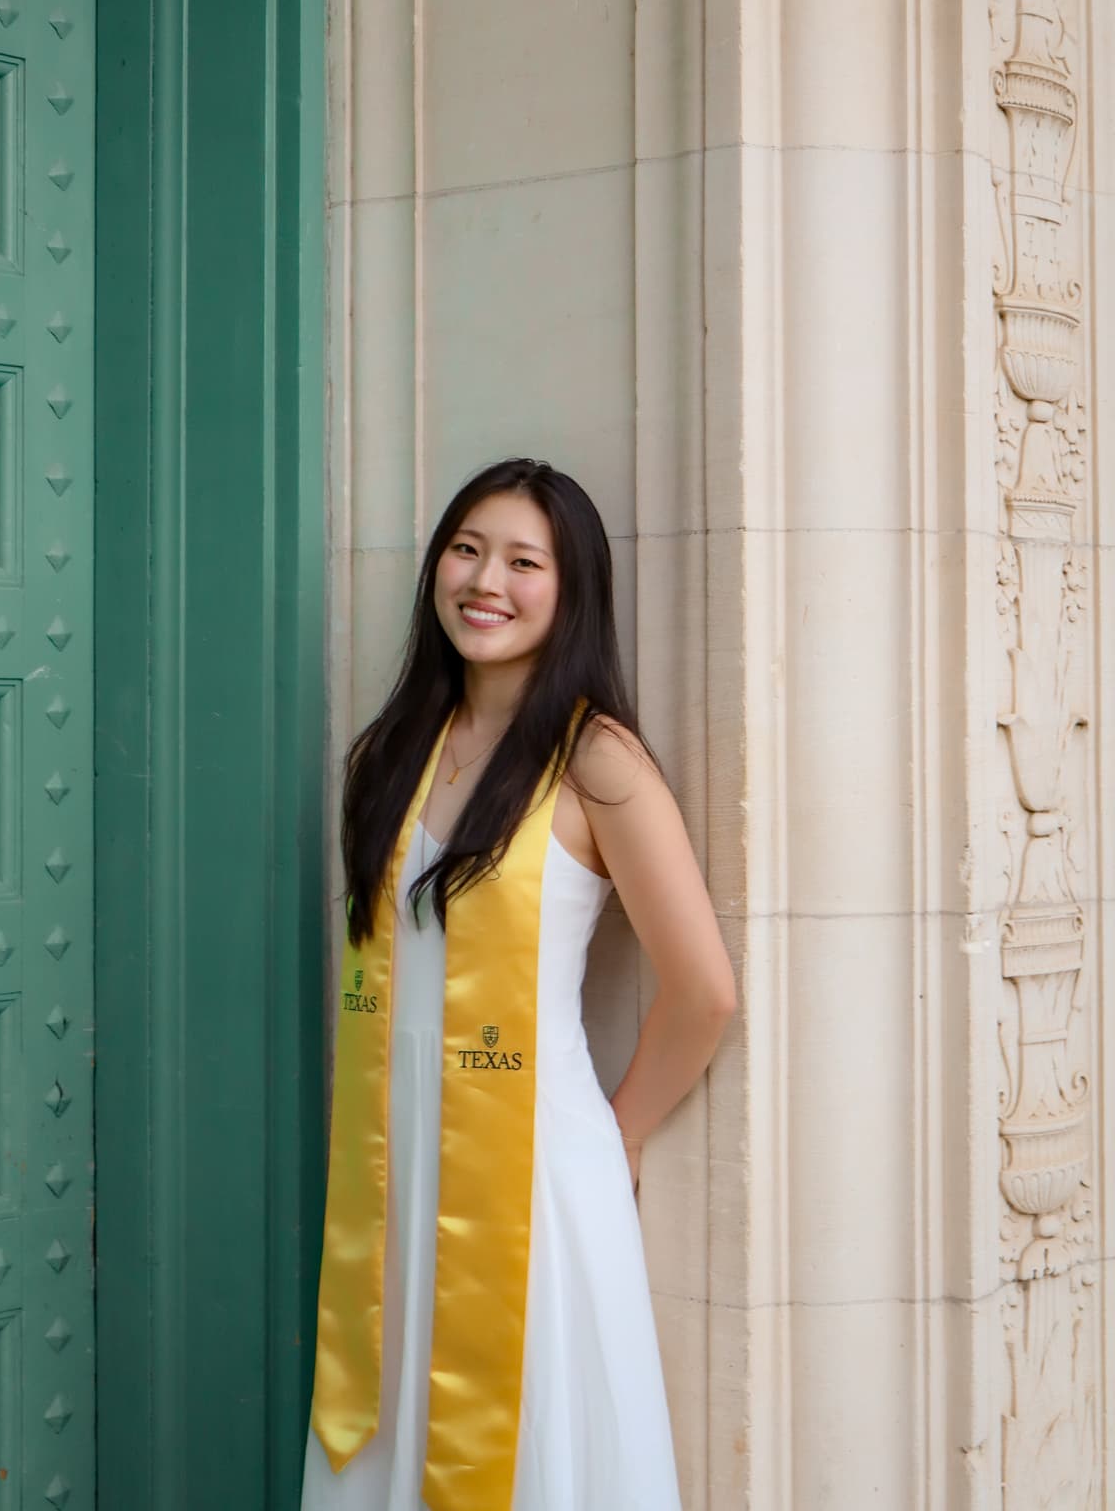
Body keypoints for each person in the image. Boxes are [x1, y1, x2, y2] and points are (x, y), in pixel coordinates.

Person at [302, 457, 736, 1511]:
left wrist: (617, 1132)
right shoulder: (395, 752)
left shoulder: (597, 763)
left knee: (531, 1445)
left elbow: (703, 990)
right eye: (465, 549)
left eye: (522, 561)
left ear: (571, 587)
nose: (484, 579)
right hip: (389, 1170)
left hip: (534, 1177)